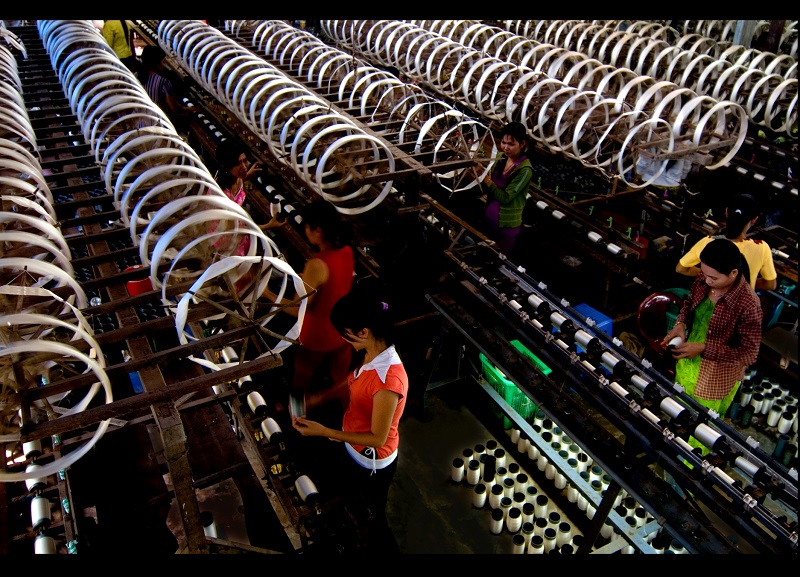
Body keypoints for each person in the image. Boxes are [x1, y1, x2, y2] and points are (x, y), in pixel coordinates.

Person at [292, 288, 408, 554]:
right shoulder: (369, 354)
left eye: (347, 335)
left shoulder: (388, 381)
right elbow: (353, 384)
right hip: (352, 444)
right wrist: (316, 400)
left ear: (364, 332)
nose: (345, 341)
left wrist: (326, 432)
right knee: (350, 500)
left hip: (372, 462)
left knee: (372, 518)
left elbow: (377, 439)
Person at [262, 201, 356, 426]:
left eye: (307, 227)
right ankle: (352, 420)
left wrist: (266, 294)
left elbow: (297, 309)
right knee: (342, 379)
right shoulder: (347, 252)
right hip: (343, 332)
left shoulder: (316, 265)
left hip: (316, 338)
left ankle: (295, 418)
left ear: (318, 231)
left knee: (300, 379)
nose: (304, 231)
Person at [662, 238, 763, 430]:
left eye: (714, 278)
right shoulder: (703, 279)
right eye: (704, 273)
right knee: (678, 415)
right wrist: (680, 323)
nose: (707, 281)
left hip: (713, 381)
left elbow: (749, 354)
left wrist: (704, 349)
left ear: (733, 273)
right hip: (686, 367)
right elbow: (689, 302)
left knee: (699, 432)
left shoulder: (748, 304)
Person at [676, 193, 778, 291]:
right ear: (754, 219)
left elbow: (681, 268)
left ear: (726, 212)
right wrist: (746, 282)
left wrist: (713, 276)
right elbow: (770, 284)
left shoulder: (708, 242)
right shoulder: (761, 247)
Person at [478, 121, 533, 254]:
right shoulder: (500, 158)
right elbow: (488, 186)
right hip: (489, 218)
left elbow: (506, 197)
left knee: (501, 257)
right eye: (503, 142)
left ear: (522, 144)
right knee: (485, 252)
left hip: (507, 225)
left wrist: (485, 179)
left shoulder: (524, 170)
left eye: (511, 144)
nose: (506, 147)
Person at [138, 45, 192, 131]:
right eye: (163, 61)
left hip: (142, 122)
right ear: (156, 63)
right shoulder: (163, 82)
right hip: (159, 125)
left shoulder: (137, 77)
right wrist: (189, 111)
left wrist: (184, 107)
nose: (164, 65)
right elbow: (173, 108)